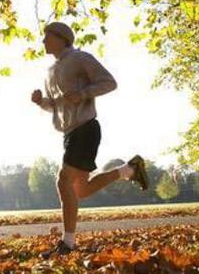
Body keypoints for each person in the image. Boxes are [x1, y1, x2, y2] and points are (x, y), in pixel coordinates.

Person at [31, 21, 149, 258]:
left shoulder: (80, 58)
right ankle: (129, 170)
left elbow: (109, 82)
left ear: (62, 38)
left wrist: (83, 93)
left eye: (47, 37)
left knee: (63, 181)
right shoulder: (49, 71)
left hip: (86, 128)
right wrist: (41, 102)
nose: (43, 41)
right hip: (69, 133)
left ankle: (68, 243)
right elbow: (57, 107)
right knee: (81, 190)